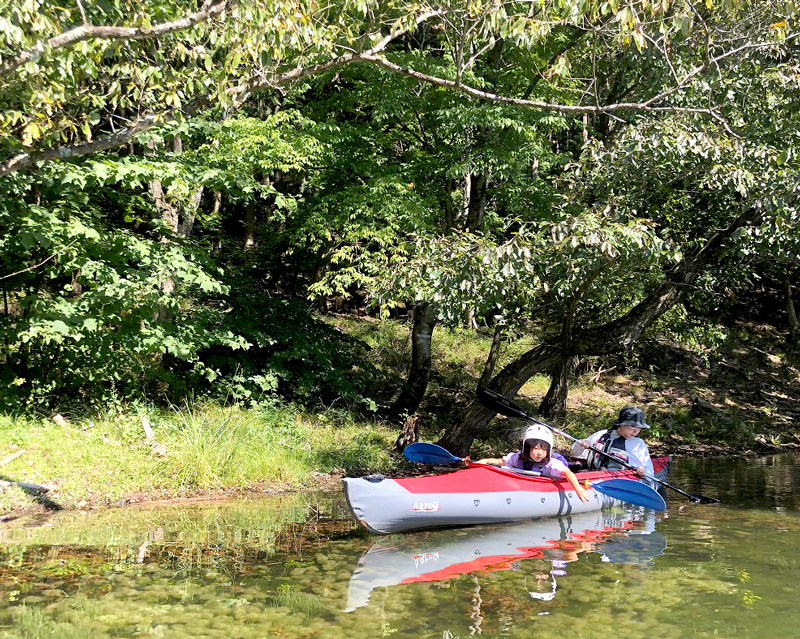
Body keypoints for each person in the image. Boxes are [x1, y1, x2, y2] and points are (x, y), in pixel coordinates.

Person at [475, 425, 591, 503]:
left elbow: (567, 473)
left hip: (541, 485)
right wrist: (486, 461)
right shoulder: (519, 458)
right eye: (535, 448)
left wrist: (578, 489)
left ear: (549, 451)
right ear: (527, 449)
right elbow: (501, 461)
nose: (539, 453)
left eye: (544, 449)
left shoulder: (551, 463)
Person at [570, 406, 654, 478]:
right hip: (595, 476)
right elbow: (574, 452)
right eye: (633, 426)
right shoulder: (602, 435)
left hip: (619, 481)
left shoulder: (638, 444)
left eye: (639, 428)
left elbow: (649, 472)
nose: (636, 431)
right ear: (622, 424)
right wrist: (581, 443)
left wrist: (644, 472)